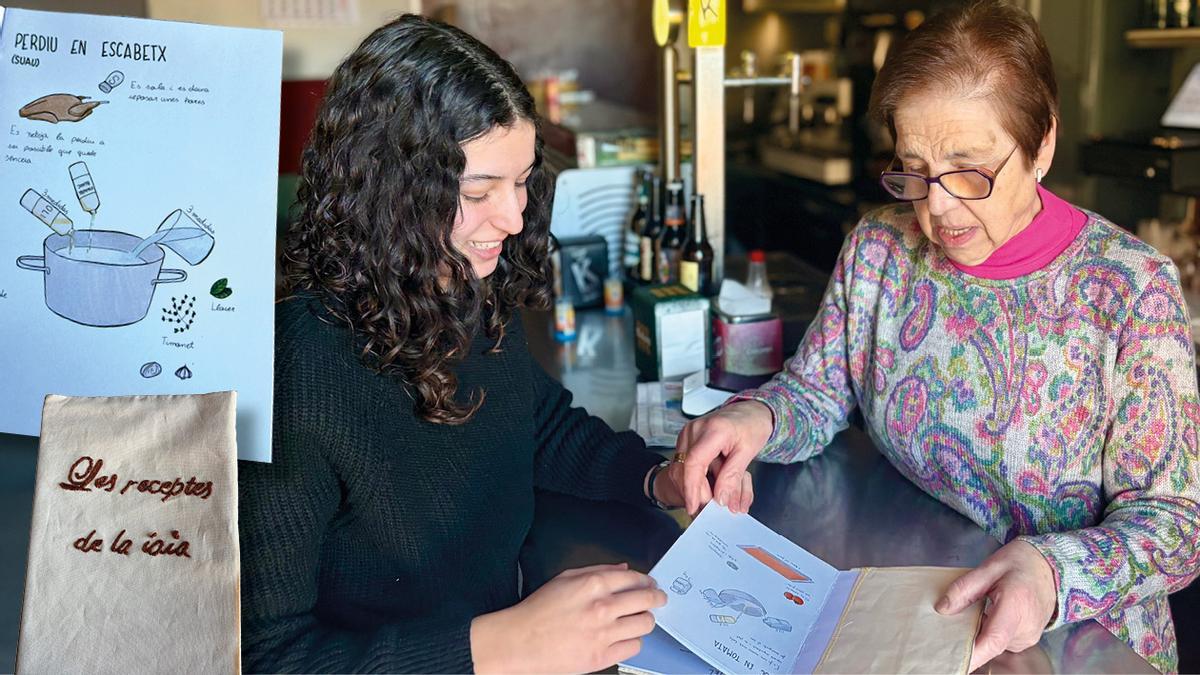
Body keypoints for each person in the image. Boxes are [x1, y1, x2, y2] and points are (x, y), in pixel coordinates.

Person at [674, 2, 1200, 672]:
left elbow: (1176, 527)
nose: (937, 206)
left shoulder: (1130, 290)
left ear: (1042, 146)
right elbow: (819, 389)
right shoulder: (881, 246)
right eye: (913, 167)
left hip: (1080, 642)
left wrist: (1053, 572)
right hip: (914, 607)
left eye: (968, 169)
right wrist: (760, 414)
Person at [238, 14, 697, 673]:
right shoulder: (299, 369)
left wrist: (654, 477)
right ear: (391, 189)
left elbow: (535, 426)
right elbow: (269, 658)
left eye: (523, 181)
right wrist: (498, 645)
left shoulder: (459, 284)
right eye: (480, 190)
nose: (511, 219)